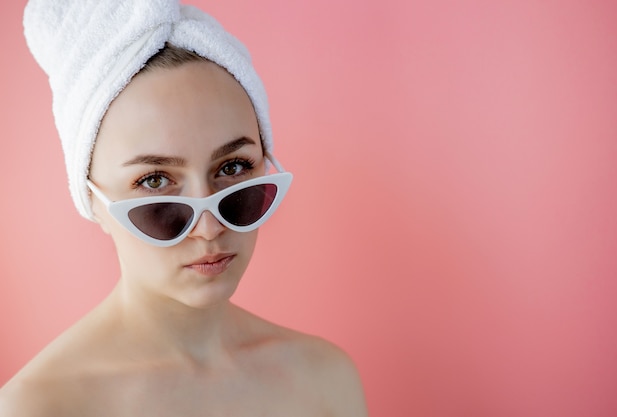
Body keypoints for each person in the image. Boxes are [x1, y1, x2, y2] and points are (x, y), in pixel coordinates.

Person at [0, 1, 368, 416]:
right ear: (93, 200)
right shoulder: (39, 407)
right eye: (154, 181)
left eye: (233, 167)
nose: (209, 227)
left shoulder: (324, 377)